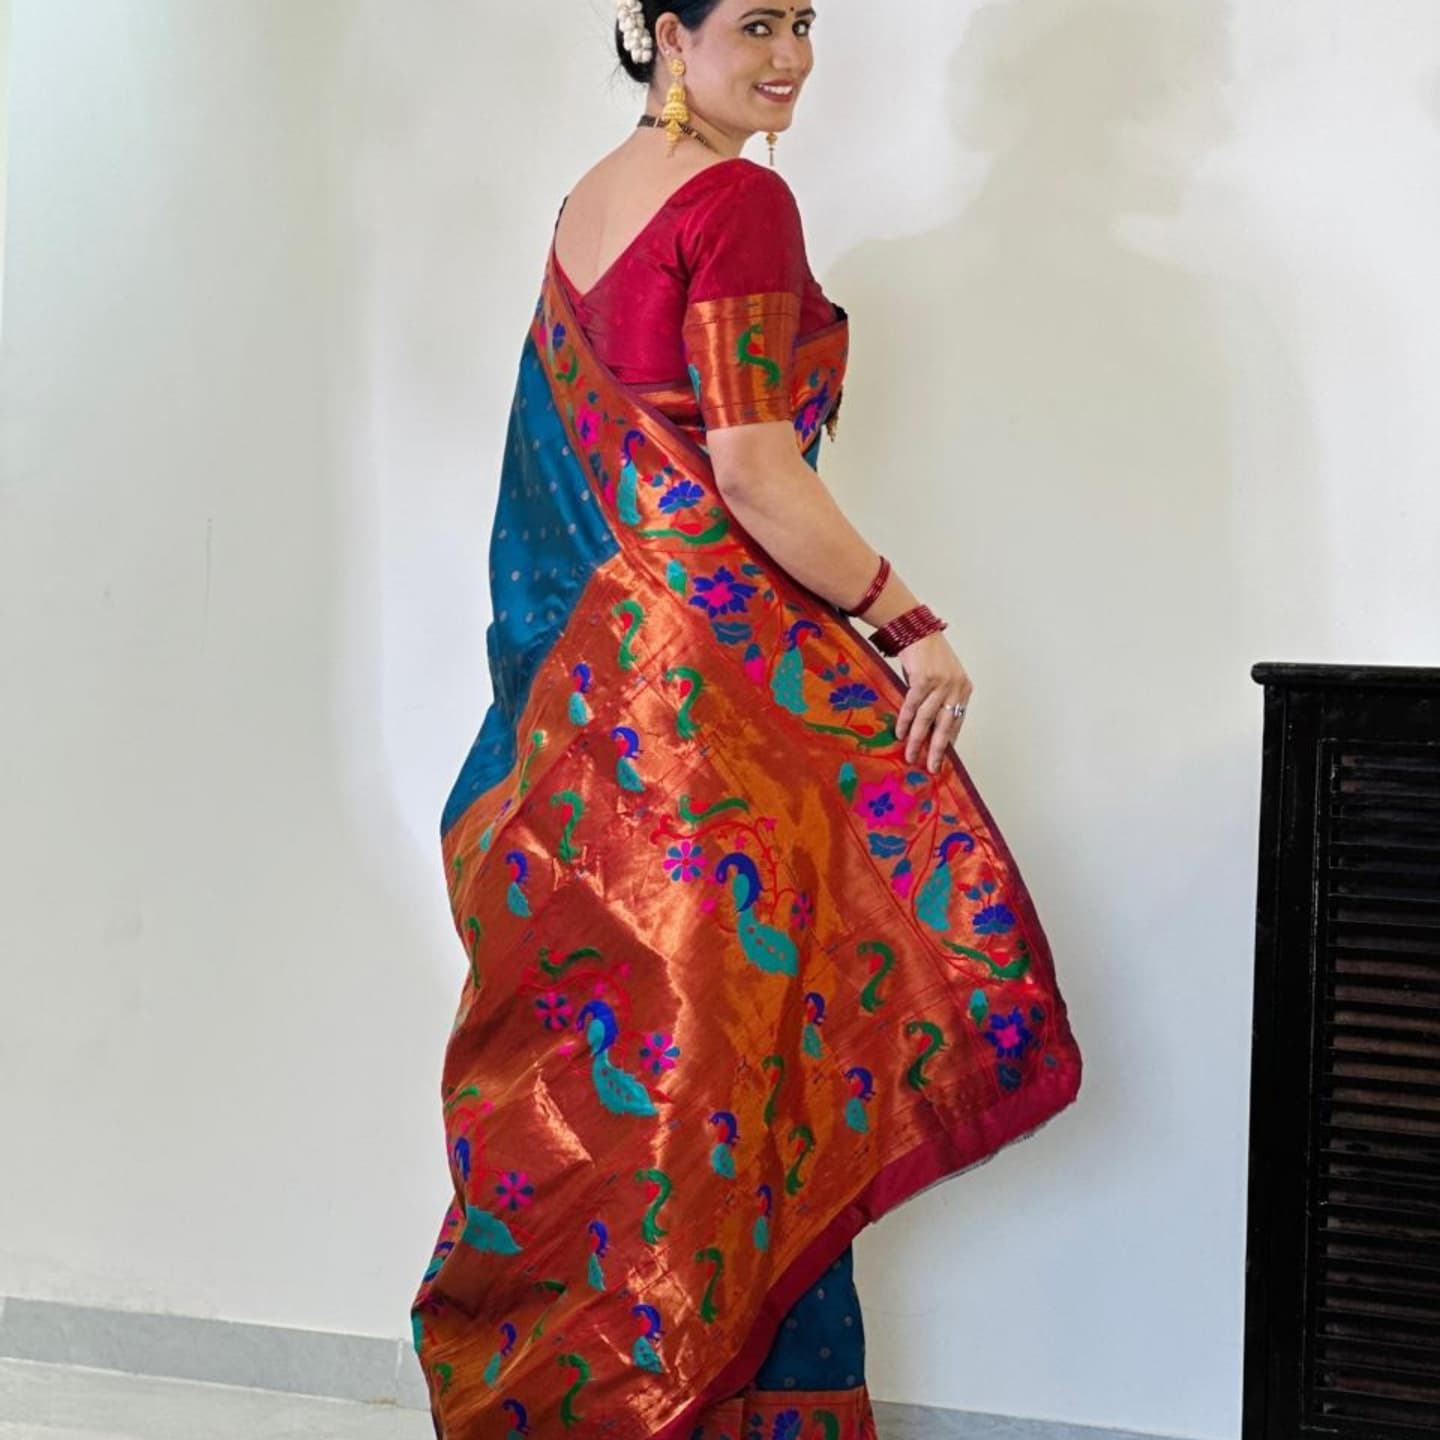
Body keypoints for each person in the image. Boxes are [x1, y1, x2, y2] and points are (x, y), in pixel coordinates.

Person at [409, 4, 1084, 1436]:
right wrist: (907, 622)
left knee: (620, 1075)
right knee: (749, 1077)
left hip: (577, 741)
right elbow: (756, 469)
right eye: (758, 24)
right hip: (701, 744)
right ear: (668, 32)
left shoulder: (588, 201)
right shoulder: (741, 203)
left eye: (805, 23)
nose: (791, 56)